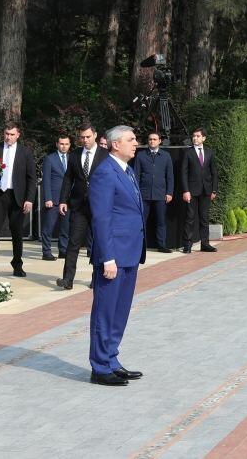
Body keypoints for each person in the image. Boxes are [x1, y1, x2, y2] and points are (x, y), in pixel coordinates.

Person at [87, 125, 145, 386]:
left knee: (120, 311)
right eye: (131, 140)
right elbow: (101, 218)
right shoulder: (105, 173)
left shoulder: (127, 170)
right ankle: (100, 367)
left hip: (130, 253)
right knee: (105, 311)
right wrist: (107, 257)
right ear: (114, 145)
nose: (136, 143)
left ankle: (111, 359)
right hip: (113, 256)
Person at [56, 123, 108, 290]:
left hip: (98, 206)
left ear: (95, 135)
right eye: (82, 137)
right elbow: (68, 179)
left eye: (88, 137)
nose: (85, 140)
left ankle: (96, 278)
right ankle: (67, 279)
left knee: (98, 243)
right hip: (78, 206)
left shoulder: (105, 155)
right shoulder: (75, 155)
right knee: (73, 243)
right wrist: (63, 200)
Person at [0, 122, 37, 277]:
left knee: (17, 233)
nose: (8, 137)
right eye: (6, 134)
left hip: (18, 197)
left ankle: (17, 265)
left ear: (18, 135)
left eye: (11, 134)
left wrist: (29, 199)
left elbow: (31, 178)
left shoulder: (25, 152)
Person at [133, 131, 174, 253]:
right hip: (144, 194)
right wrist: (136, 192)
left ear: (160, 141)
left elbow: (170, 176)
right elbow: (136, 175)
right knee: (141, 221)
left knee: (161, 221)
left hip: (161, 194)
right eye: (150, 139)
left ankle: (161, 245)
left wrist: (169, 192)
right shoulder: (141, 155)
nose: (152, 141)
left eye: (155, 139)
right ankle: (140, 246)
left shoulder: (166, 156)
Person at [180, 126, 217, 253]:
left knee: (204, 218)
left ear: (204, 138)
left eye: (198, 136)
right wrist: (185, 190)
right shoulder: (188, 153)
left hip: (206, 191)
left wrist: (214, 190)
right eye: (194, 136)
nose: (195, 138)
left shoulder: (210, 153)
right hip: (191, 190)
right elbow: (183, 173)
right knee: (190, 218)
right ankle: (187, 245)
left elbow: (214, 173)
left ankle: (205, 244)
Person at [40, 134, 71, 260]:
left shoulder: (72, 158)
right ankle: (46, 252)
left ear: (69, 145)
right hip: (53, 198)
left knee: (65, 227)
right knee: (48, 227)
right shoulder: (50, 159)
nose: (64, 146)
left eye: (66, 144)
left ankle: (63, 250)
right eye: (61, 144)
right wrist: (48, 198)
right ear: (57, 144)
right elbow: (46, 180)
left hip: (67, 199)